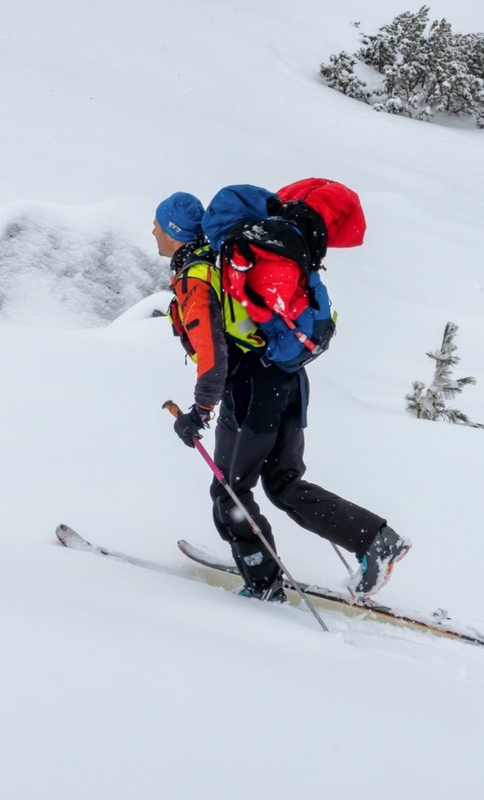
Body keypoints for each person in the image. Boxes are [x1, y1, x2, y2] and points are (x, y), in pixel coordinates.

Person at [156, 189, 409, 603]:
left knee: (229, 492)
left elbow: (213, 356)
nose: (152, 231)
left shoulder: (198, 276)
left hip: (252, 394)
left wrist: (199, 411)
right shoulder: (229, 258)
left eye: (157, 225)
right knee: (283, 483)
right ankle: (376, 540)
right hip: (286, 379)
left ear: (173, 232)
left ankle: (262, 583)